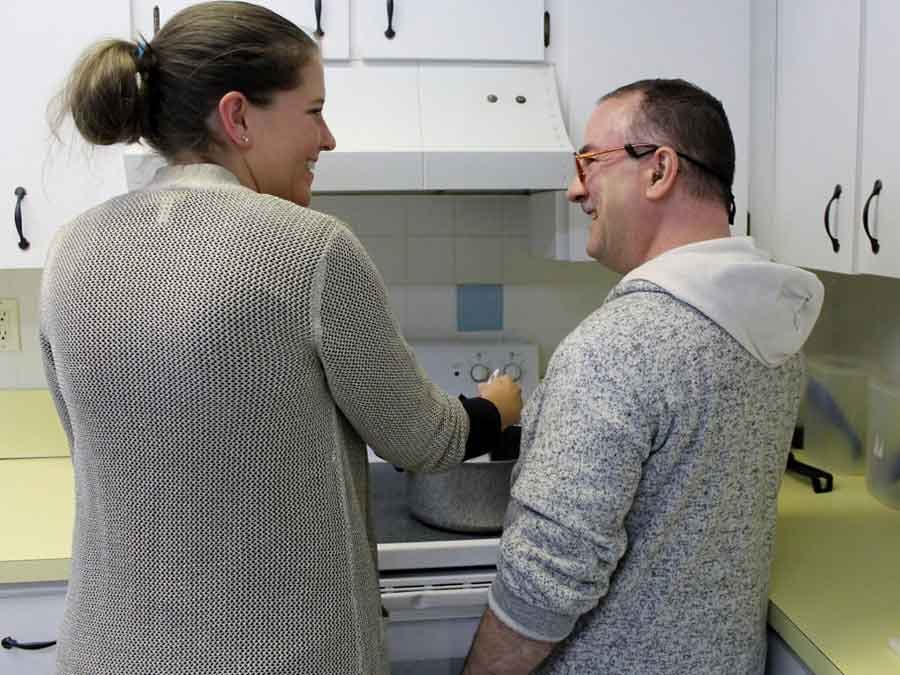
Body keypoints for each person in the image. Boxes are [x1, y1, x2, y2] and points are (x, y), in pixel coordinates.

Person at [40, 3, 522, 674]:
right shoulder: (309, 249)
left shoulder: (68, 253)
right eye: (314, 110)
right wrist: (497, 405)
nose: (327, 139)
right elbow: (424, 439)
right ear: (237, 117)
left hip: (105, 652)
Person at [462, 78, 824, 674]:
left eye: (591, 161)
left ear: (659, 171)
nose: (575, 187)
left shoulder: (614, 350)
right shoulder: (775, 331)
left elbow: (546, 581)